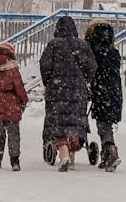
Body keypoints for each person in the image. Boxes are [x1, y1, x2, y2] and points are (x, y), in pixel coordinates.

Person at [39, 15, 97, 172]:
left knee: (59, 122)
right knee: (74, 122)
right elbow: (92, 66)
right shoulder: (82, 45)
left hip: (57, 90)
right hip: (77, 91)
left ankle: (63, 151)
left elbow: (44, 66)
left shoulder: (53, 45)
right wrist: (83, 79)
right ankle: (71, 155)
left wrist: (49, 81)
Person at [85, 19, 122, 172]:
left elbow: (91, 70)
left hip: (101, 91)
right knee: (106, 124)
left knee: (103, 125)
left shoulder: (94, 51)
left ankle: (111, 152)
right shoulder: (113, 52)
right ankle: (106, 155)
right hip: (114, 92)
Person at [0, 42, 28, 171]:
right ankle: (14, 161)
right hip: (12, 103)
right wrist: (24, 100)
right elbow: (19, 87)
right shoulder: (12, 69)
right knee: (13, 133)